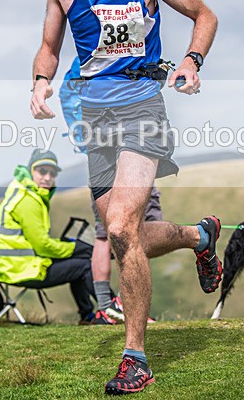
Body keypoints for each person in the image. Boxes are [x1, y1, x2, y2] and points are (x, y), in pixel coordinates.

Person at [29, 0, 221, 394]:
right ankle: (200, 237)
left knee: (119, 225)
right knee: (123, 237)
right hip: (94, 118)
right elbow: (49, 46)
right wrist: (41, 81)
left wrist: (191, 61)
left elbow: (204, 15)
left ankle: (135, 358)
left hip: (141, 109)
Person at [59, 56, 162, 326]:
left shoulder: (82, 63)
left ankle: (108, 307)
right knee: (138, 231)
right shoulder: (120, 55)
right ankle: (127, 306)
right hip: (129, 151)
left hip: (97, 153)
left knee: (104, 234)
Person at [0, 148, 96, 323]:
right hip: (20, 270)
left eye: (52, 173)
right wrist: (76, 247)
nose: (47, 177)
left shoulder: (23, 192)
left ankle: (89, 315)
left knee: (79, 260)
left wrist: (72, 248)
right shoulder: (28, 200)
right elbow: (42, 246)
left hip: (11, 266)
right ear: (31, 171)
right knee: (84, 265)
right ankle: (108, 310)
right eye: (42, 171)